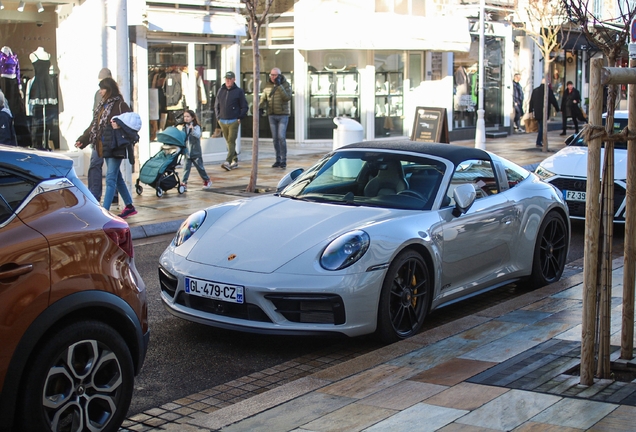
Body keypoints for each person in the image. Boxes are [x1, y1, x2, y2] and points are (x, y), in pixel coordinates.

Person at [75, 78, 135, 217]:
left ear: (109, 89)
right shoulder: (101, 106)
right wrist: (83, 140)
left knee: (110, 179)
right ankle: (129, 206)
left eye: (102, 89)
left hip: (116, 146)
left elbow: (132, 122)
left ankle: (104, 212)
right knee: (116, 177)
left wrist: (119, 124)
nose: (100, 92)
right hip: (103, 145)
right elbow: (94, 126)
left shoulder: (120, 105)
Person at [86, 68, 113, 203]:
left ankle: (113, 195)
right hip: (99, 137)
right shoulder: (98, 94)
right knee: (95, 164)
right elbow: (95, 117)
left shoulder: (116, 97)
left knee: (113, 169)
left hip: (111, 137)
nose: (101, 88)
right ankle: (94, 194)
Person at [214, 71, 248, 171]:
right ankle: (235, 159)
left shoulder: (238, 91)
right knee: (228, 142)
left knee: (231, 140)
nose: (228, 81)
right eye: (226, 79)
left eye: (230, 79)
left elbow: (244, 106)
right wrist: (218, 117)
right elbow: (217, 105)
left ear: (234, 79)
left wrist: (240, 117)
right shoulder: (221, 90)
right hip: (223, 120)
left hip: (233, 120)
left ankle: (228, 161)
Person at [259, 67, 292, 168]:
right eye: (271, 75)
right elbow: (263, 98)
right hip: (272, 114)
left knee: (281, 137)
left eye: (275, 75)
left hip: (282, 114)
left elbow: (287, 97)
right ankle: (277, 159)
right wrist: (259, 108)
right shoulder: (267, 85)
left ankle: (283, 159)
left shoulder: (285, 84)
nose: (273, 77)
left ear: (279, 75)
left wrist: (279, 85)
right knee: (275, 139)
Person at [180, 109, 212, 190]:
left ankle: (207, 180)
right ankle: (184, 183)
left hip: (195, 152)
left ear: (193, 118)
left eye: (188, 116)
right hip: (187, 152)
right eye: (185, 117)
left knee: (200, 167)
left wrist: (192, 130)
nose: (186, 118)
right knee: (186, 168)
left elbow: (198, 135)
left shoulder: (196, 127)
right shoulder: (184, 127)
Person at [529, 79, 560, 148]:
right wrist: (557, 109)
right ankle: (539, 141)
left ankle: (541, 140)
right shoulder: (547, 91)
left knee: (541, 126)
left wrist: (530, 110)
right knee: (542, 127)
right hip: (544, 112)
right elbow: (553, 100)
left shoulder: (535, 90)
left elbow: (531, 101)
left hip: (537, 112)